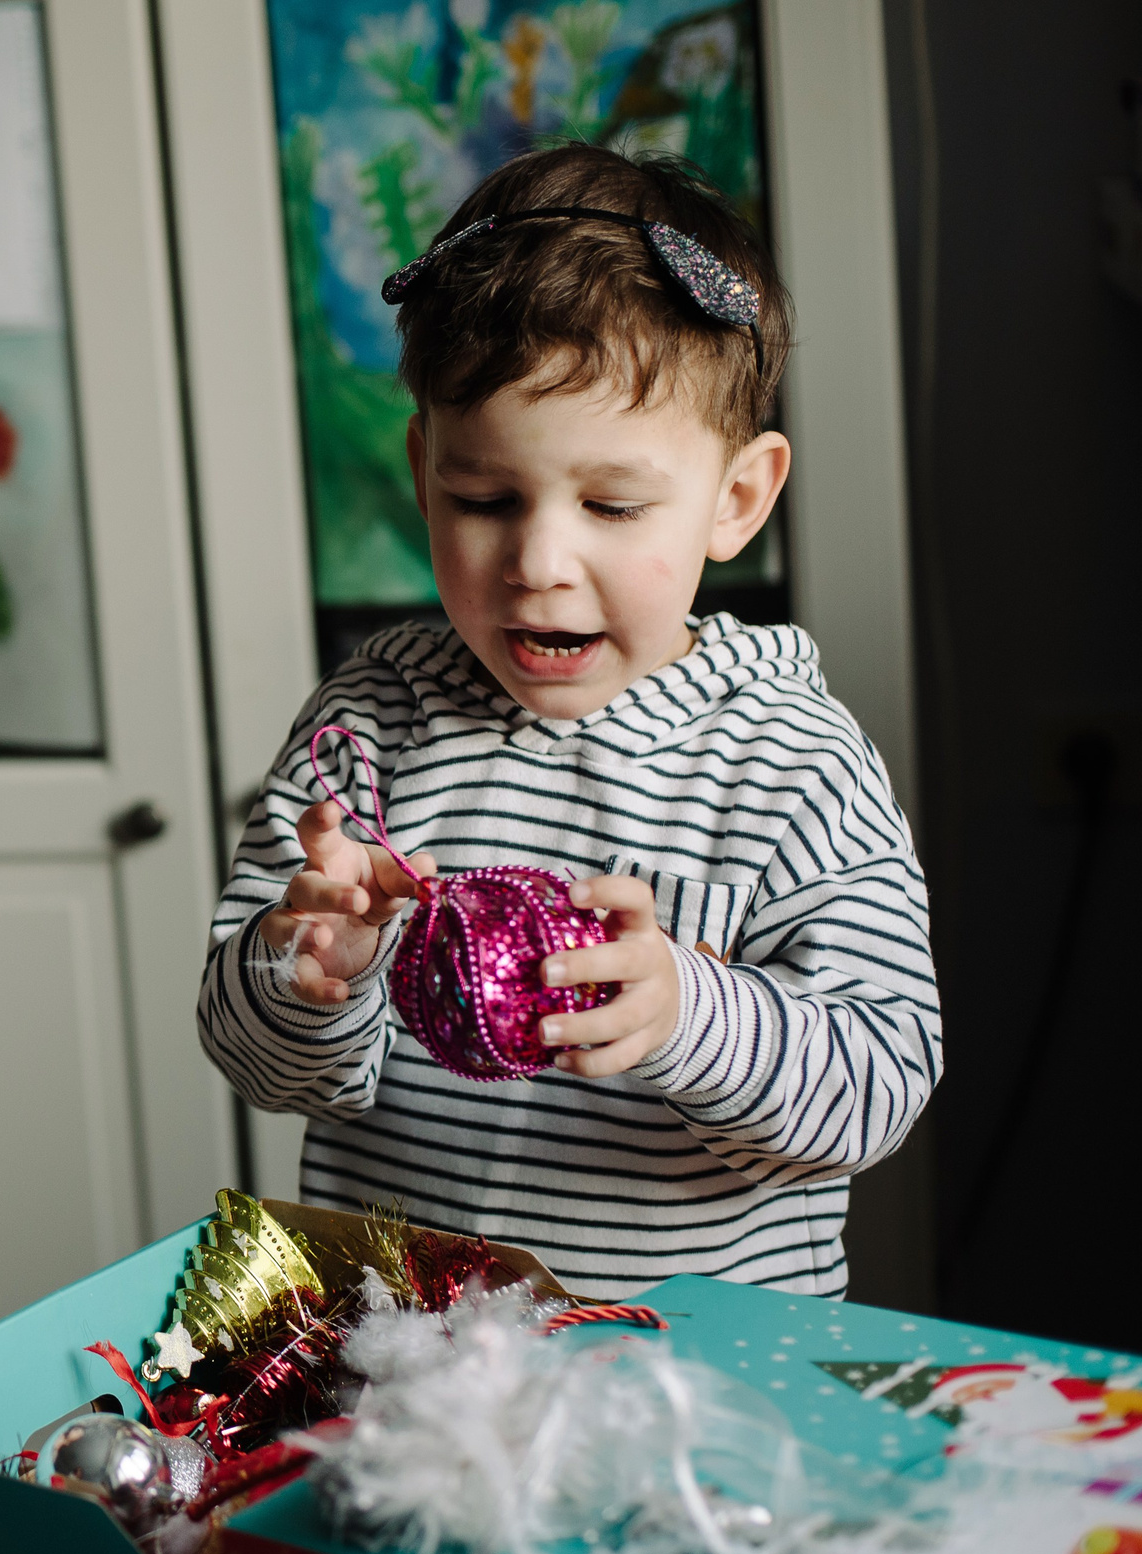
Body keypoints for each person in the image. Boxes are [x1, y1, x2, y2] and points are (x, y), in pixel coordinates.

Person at [197, 144, 940, 1301]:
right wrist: (310, 973)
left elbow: (882, 1075)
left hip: (694, 1388)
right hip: (404, 1372)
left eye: (611, 504)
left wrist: (692, 1012)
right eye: (483, 498)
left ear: (734, 499)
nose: (539, 562)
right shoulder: (367, 728)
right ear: (422, 466)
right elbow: (250, 1056)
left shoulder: (789, 758)